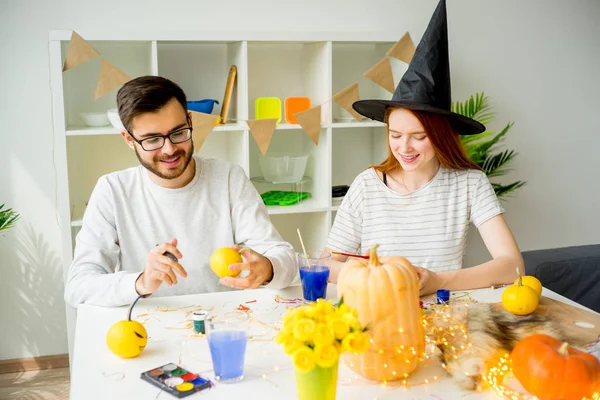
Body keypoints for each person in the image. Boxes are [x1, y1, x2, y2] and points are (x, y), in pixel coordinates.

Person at [325, 0, 524, 295]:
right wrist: (378, 275)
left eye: (418, 136)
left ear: (441, 136)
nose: (404, 147)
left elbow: (513, 266)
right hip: (379, 312)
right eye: (395, 135)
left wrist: (438, 280)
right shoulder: (367, 185)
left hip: (445, 316)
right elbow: (328, 264)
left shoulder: (469, 183)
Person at [64, 76, 297, 307]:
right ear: (128, 139)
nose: (169, 149)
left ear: (190, 121)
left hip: (224, 322)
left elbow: (284, 256)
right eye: (152, 139)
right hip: (147, 330)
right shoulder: (113, 190)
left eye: (178, 133)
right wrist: (141, 282)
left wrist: (267, 268)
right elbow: (78, 287)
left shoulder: (228, 178)